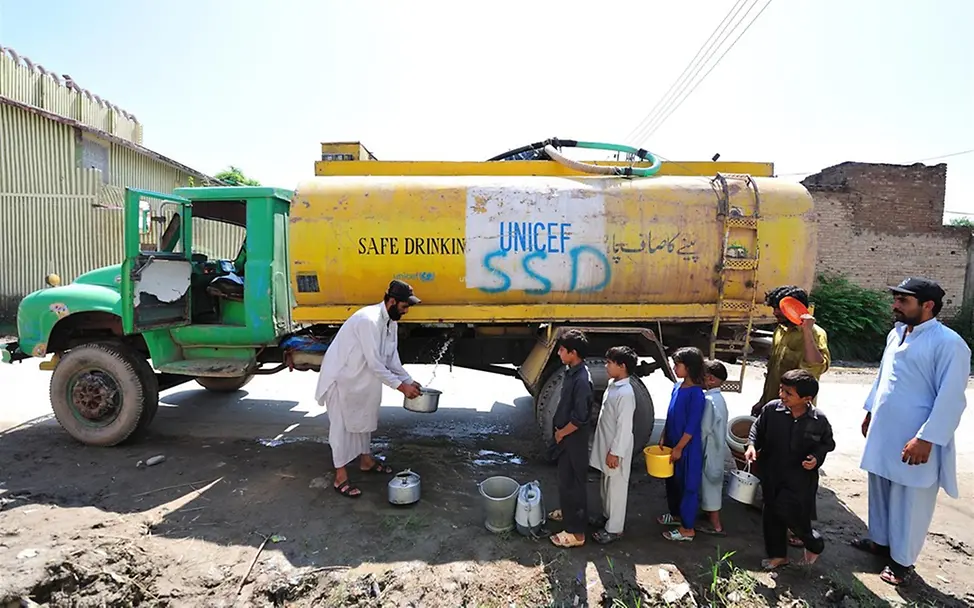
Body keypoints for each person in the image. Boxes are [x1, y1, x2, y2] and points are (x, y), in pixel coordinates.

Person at [854, 277, 970, 586]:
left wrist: (926, 438)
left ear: (928, 305)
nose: (895, 305)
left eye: (903, 301)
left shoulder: (949, 343)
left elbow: (952, 398)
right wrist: (870, 411)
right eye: (896, 299)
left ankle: (902, 562)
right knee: (879, 486)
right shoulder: (897, 335)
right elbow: (883, 377)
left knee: (910, 499)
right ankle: (879, 541)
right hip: (884, 431)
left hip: (916, 440)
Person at [313, 279, 423, 498]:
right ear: (392, 301)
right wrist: (401, 387)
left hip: (362, 379)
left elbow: (391, 359)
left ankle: (366, 460)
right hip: (342, 378)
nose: (406, 311)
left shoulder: (391, 323)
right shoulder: (368, 320)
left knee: (365, 417)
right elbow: (375, 363)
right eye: (404, 306)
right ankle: (340, 477)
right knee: (341, 428)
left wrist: (409, 380)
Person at [746, 369, 835, 571]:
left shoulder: (818, 420)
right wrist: (752, 446)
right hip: (772, 473)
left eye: (788, 393)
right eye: (781, 390)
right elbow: (756, 429)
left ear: (806, 399)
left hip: (800, 479)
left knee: (791, 514)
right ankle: (778, 555)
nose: (782, 396)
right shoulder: (771, 410)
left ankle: (814, 543)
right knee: (771, 515)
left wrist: (816, 459)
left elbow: (827, 444)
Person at [547, 329, 595, 548]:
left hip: (573, 438)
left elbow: (580, 418)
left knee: (574, 483)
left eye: (562, 350)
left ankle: (576, 533)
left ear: (573, 353)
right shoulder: (572, 372)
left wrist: (561, 433)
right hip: (567, 436)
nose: (559, 353)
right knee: (565, 479)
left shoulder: (583, 380)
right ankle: (569, 514)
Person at [752, 286, 831, 416]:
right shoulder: (780, 330)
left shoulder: (815, 333)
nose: (775, 313)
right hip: (772, 407)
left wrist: (806, 331)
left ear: (796, 308)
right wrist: (762, 401)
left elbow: (816, 367)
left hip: (796, 413)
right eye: (774, 308)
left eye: (780, 309)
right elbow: (773, 372)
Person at [589, 346, 638, 545]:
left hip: (616, 448)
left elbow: (624, 427)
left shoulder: (626, 393)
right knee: (606, 485)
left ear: (622, 366)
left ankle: (614, 528)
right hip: (607, 445)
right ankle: (607, 516)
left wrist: (615, 452)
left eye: (609, 363)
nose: (606, 366)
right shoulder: (613, 384)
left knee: (617, 487)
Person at [659, 346, 707, 542]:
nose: (674, 368)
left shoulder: (697, 394)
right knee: (672, 482)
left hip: (687, 448)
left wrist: (679, 447)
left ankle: (687, 528)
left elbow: (692, 425)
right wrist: (664, 434)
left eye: (677, 365)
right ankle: (676, 515)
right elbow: (670, 414)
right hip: (672, 442)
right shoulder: (676, 387)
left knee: (688, 485)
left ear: (689, 368)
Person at [699, 359, 730, 536]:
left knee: (710, 483)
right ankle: (709, 516)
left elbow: (704, 429)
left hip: (709, 449)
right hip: (715, 448)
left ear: (710, 379)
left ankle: (715, 525)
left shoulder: (710, 400)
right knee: (712, 482)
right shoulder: (718, 399)